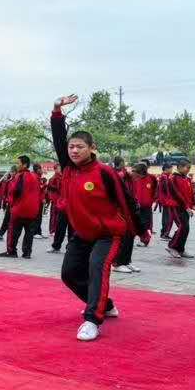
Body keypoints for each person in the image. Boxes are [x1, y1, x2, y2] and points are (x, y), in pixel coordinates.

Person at [51, 95, 149, 342]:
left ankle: (92, 319)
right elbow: (58, 137)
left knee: (97, 268)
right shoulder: (69, 168)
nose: (74, 150)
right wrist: (56, 111)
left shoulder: (104, 173)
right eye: (71, 147)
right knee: (69, 274)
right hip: (81, 233)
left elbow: (127, 202)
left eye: (79, 147)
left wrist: (141, 230)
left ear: (92, 148)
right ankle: (106, 303)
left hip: (108, 234)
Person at [0, 156, 41, 259]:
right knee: (29, 232)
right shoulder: (35, 176)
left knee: (13, 230)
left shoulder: (20, 176)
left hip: (20, 208)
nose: (17, 166)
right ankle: (27, 253)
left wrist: (12, 205)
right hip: (33, 209)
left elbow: (15, 191)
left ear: (25, 164)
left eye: (19, 163)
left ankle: (12, 251)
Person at [166, 160, 195, 259]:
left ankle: (180, 249)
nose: (188, 170)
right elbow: (177, 195)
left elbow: (190, 194)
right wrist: (186, 207)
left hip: (185, 208)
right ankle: (172, 246)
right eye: (187, 168)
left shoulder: (187, 179)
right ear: (179, 167)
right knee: (182, 226)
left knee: (186, 228)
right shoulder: (173, 178)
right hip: (177, 206)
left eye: (189, 168)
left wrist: (193, 205)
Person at [46, 163, 73, 253]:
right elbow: (52, 190)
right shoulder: (56, 178)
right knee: (60, 226)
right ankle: (56, 246)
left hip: (72, 206)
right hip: (63, 205)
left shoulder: (73, 176)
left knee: (71, 228)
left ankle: (70, 247)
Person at [157, 164, 175, 239]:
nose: (172, 170)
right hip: (166, 200)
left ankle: (164, 233)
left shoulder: (164, 176)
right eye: (171, 168)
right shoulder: (164, 177)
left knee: (166, 216)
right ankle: (164, 233)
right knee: (168, 217)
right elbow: (167, 189)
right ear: (167, 169)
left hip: (165, 199)